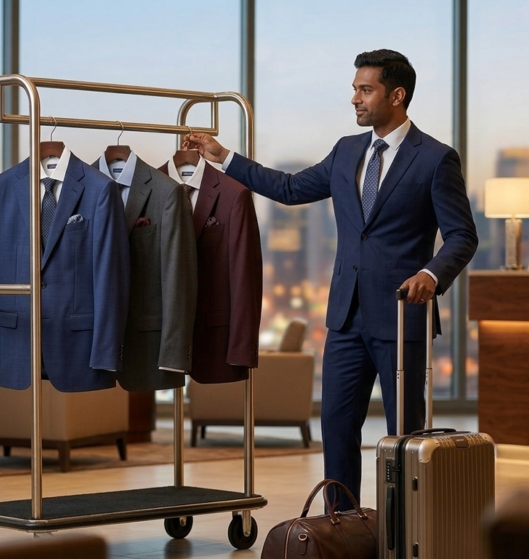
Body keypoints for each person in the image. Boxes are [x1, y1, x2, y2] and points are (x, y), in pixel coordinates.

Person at [186, 49, 478, 510]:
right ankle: (340, 527)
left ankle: (405, 529)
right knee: (337, 428)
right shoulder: (346, 151)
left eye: (366, 90)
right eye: (355, 89)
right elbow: (288, 188)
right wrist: (225, 158)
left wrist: (430, 273)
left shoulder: (436, 159)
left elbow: (463, 236)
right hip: (345, 318)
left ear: (396, 95)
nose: (355, 99)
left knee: (405, 436)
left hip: (401, 316)